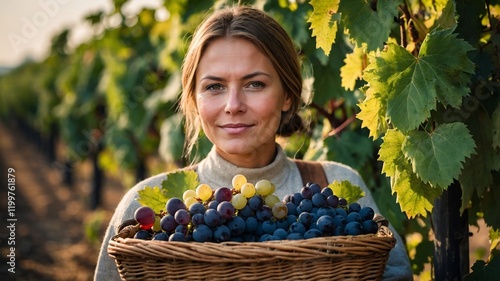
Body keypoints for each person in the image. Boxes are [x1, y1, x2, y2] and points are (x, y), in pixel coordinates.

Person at [94, 5, 413, 281]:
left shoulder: (338, 185)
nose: (233, 104)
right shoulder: (145, 209)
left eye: (255, 83)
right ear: (194, 98)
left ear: (288, 96)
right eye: (215, 86)